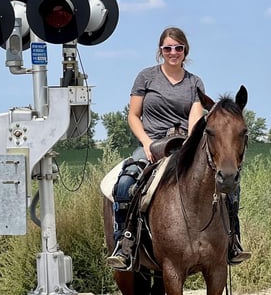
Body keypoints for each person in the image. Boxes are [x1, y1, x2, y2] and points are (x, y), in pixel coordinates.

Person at [106, 26, 251, 270]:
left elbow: (196, 120)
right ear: (160, 51)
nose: (173, 52)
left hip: (184, 145)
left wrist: (188, 146)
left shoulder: (194, 82)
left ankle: (232, 240)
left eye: (178, 48)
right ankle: (125, 243)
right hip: (152, 143)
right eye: (168, 48)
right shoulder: (146, 77)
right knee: (125, 182)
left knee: (229, 184)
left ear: (185, 51)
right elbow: (133, 115)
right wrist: (146, 142)